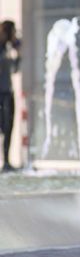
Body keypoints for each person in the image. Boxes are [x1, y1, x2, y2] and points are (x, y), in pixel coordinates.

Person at [0, 20, 20, 172]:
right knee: (3, 126)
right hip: (1, 93)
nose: (15, 34)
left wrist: (18, 53)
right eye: (13, 31)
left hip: (8, 92)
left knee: (8, 127)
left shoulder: (9, 48)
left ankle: (6, 161)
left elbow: (15, 69)